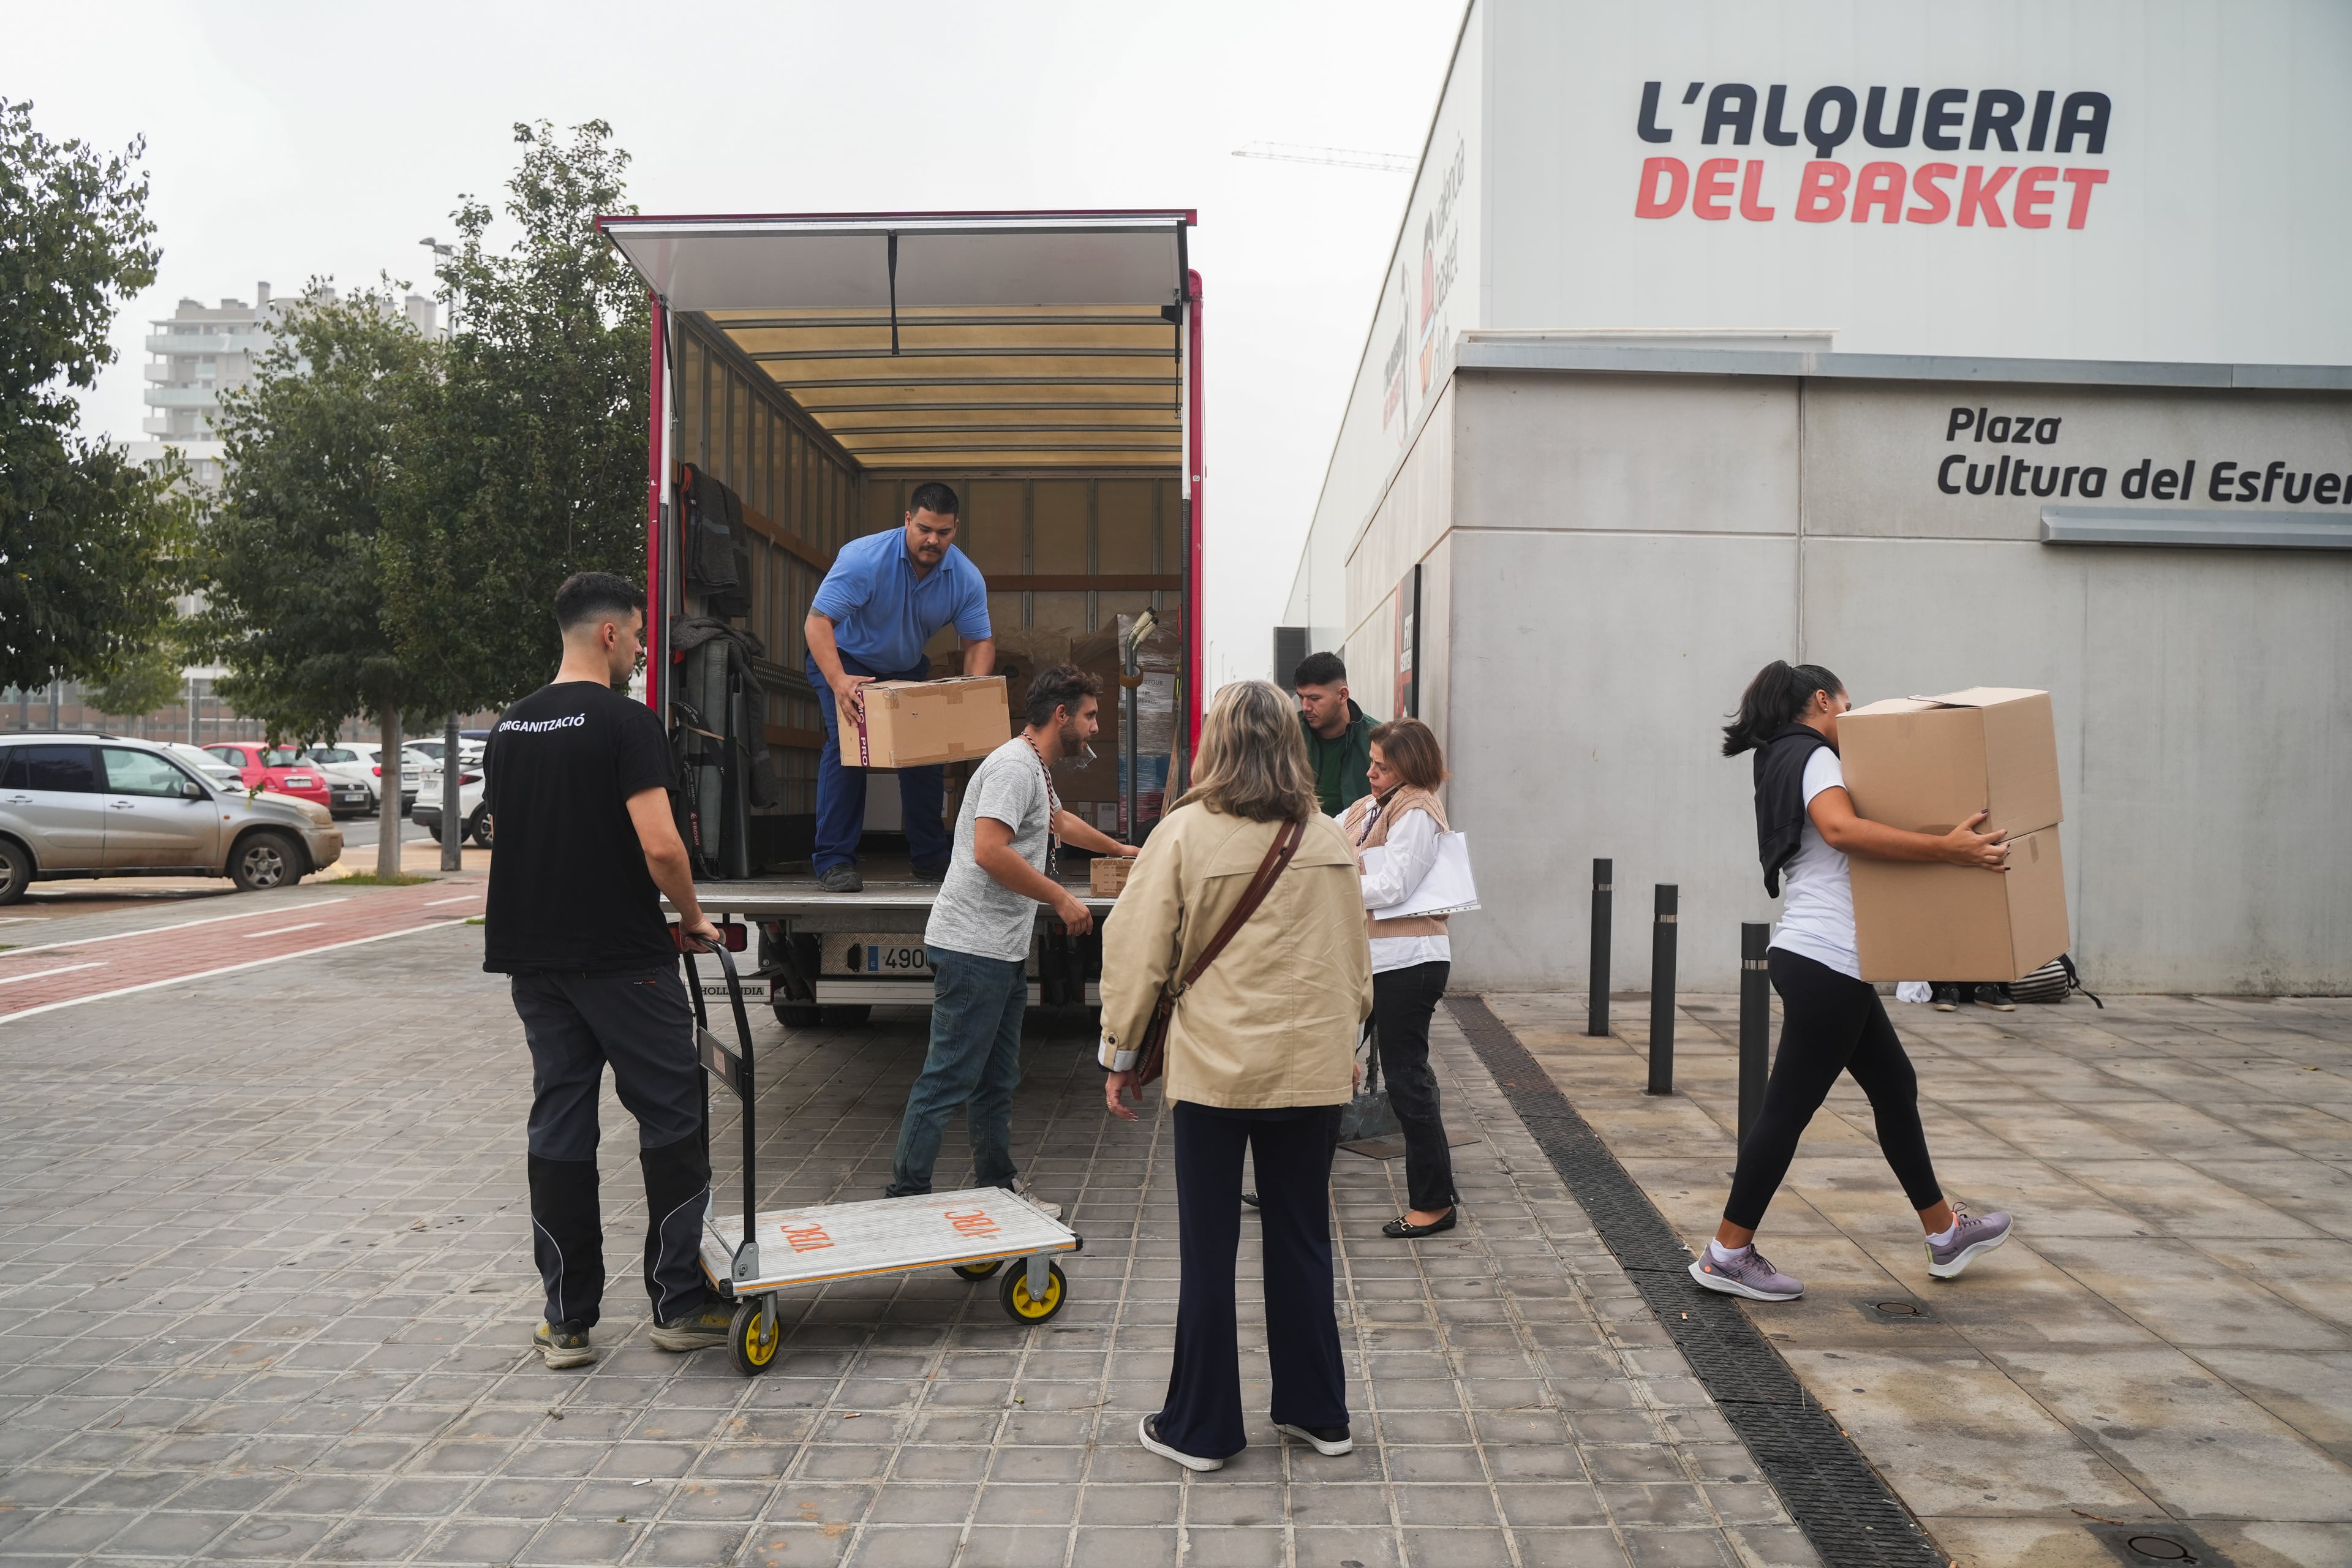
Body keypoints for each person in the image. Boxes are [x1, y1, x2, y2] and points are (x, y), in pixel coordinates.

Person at [1099, 680, 1373, 1473]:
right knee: (1302, 1239)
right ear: (1291, 744)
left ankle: (1204, 1428)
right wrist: (1349, 1040)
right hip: (1313, 1072)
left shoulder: (1182, 836)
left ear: (1214, 744)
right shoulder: (1325, 837)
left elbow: (1137, 953)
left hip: (1217, 1074)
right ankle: (1320, 1413)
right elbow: (1355, 959)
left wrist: (1122, 1056)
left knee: (1209, 1249)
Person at [1695, 660, 2016, 1303]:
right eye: (1849, 704)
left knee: (1895, 1084)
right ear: (1822, 700)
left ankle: (1945, 1232)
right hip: (1826, 957)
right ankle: (1727, 1253)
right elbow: (1843, 830)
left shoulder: (1780, 756)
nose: (1854, 716)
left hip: (1827, 958)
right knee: (1786, 1111)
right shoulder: (1812, 755)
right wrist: (1948, 850)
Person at [481, 572, 731, 1370]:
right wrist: (691, 919)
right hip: (625, 961)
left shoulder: (509, 729)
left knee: (560, 1126)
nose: (639, 653)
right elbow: (660, 845)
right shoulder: (626, 723)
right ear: (612, 635)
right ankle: (679, 1309)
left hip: (536, 963)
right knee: (674, 1118)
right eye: (637, 635)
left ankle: (567, 1323)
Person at [885, 665, 1136, 1212]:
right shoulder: (1013, 768)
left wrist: (1118, 850)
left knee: (996, 1080)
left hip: (998, 950)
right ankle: (905, 1199)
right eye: (1090, 716)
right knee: (949, 1078)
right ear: (1062, 715)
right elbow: (988, 850)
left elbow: (1059, 822)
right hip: (973, 949)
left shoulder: (1034, 768)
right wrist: (1059, 897)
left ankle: (997, 1186)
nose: (1096, 728)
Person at [805, 481, 996, 892]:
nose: (933, 540)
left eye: (943, 533)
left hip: (906, 667)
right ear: (908, 520)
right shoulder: (864, 559)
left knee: (925, 756)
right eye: (924, 528)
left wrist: (971, 695)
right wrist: (839, 681)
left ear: (955, 529)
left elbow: (978, 641)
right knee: (849, 748)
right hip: (846, 660)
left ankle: (930, 861)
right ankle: (835, 862)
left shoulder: (964, 578)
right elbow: (817, 623)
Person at [1340, 718, 1460, 1239]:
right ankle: (1292, 1180)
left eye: (1381, 766)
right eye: (1370, 762)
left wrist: (1335, 885)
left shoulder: (1416, 810)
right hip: (1374, 960)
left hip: (1409, 962)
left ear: (1408, 769)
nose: (1370, 773)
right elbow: (1326, 836)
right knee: (1328, 1069)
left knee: (1408, 1077)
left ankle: (1434, 1203)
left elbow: (1394, 887)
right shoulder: (1374, 807)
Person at [1292, 651, 1378, 818]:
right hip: (1299, 839)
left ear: (1342, 695)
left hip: (1360, 840)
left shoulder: (1378, 739)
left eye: (1314, 698)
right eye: (1301, 697)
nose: (1305, 707)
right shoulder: (1287, 735)